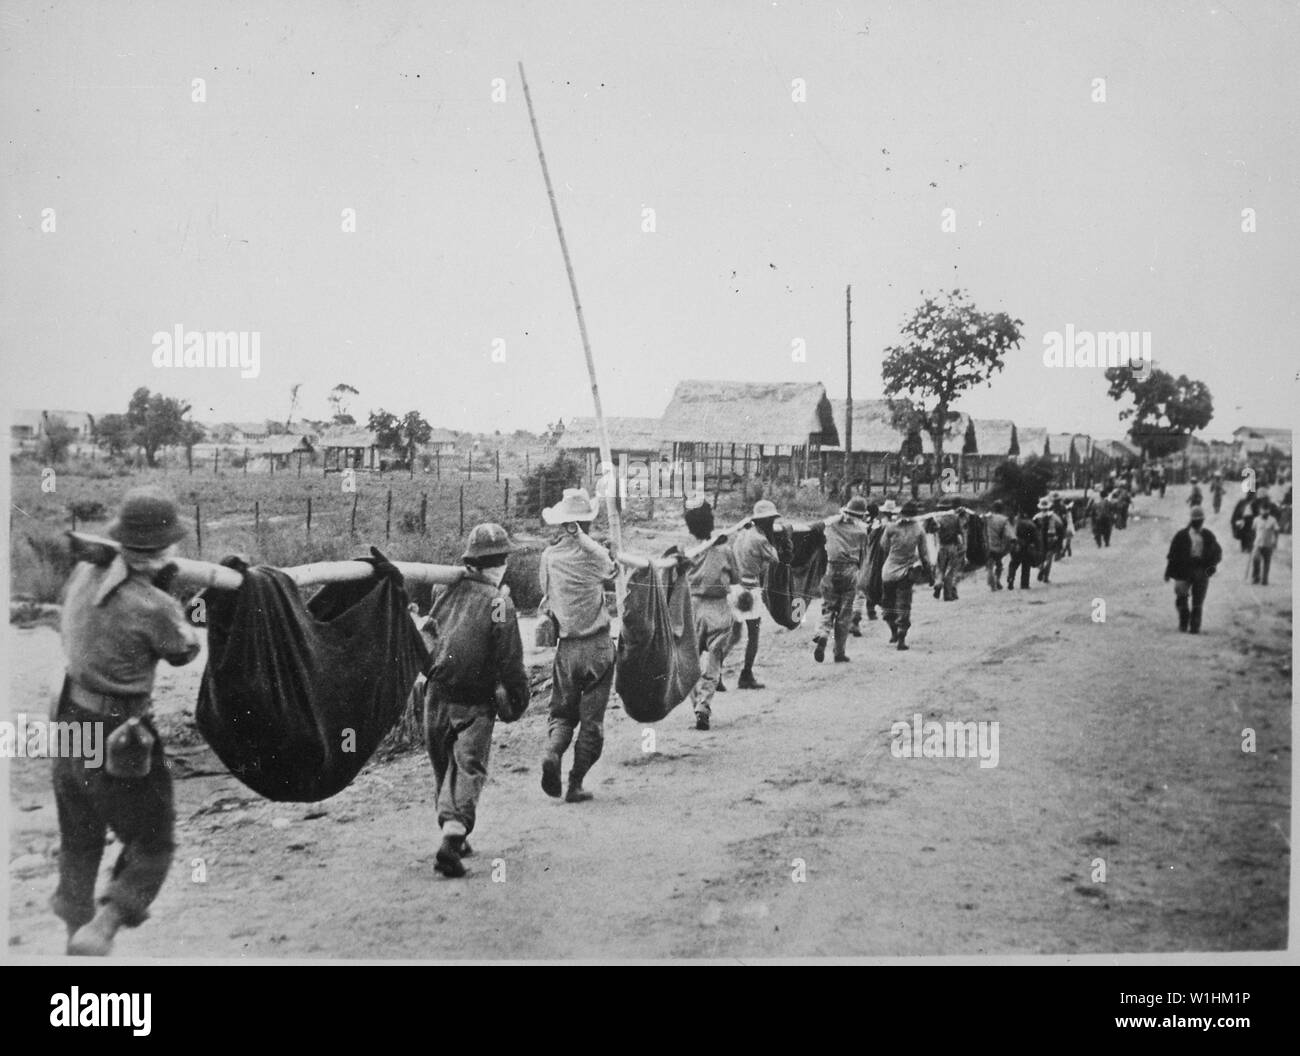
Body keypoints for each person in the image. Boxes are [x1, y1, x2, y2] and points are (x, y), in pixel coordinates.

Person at [52, 487, 202, 956]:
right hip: (120, 733)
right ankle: (106, 923)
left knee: (80, 837)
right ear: (164, 547)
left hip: (71, 723)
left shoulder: (83, 571)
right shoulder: (154, 605)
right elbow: (184, 650)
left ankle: (74, 928)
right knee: (154, 842)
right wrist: (165, 593)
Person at [422, 523, 530, 878]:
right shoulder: (499, 603)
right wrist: (518, 696)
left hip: (435, 697)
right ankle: (452, 839)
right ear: (499, 564)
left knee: (444, 766)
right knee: (468, 767)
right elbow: (510, 659)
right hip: (474, 702)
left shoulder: (443, 588)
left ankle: (453, 831)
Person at [537, 488, 617, 803]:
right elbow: (610, 570)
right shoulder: (596, 555)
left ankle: (552, 751)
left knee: (562, 712)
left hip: (566, 647)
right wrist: (592, 541)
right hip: (597, 645)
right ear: (587, 523)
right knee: (592, 721)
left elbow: (545, 596)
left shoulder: (549, 558)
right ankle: (575, 782)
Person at [683, 497, 741, 730]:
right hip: (718, 607)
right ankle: (704, 704)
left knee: (689, 661)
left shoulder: (685, 550)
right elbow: (735, 577)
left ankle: (697, 700)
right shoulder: (724, 550)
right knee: (714, 659)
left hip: (690, 607)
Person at [730, 499, 790, 689]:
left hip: (736, 587)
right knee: (753, 636)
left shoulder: (742, 534)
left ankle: (716, 672)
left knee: (733, 635)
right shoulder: (761, 539)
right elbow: (775, 559)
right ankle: (746, 675)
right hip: (750, 587)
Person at [813, 496, 871, 663]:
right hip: (850, 570)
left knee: (828, 606)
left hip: (830, 568)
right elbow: (863, 556)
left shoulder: (832, 526)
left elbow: (821, 526)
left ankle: (823, 633)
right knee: (845, 612)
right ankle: (839, 652)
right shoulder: (862, 531)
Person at [879, 500, 933, 650]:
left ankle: (893, 632)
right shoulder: (918, 529)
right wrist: (929, 573)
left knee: (887, 604)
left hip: (888, 571)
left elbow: (884, 546)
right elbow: (924, 554)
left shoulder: (891, 527)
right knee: (904, 605)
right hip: (906, 572)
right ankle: (902, 637)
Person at [1165, 506, 1222, 633]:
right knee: (1181, 596)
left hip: (1201, 570)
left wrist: (1210, 570)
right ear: (1191, 521)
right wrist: (1168, 572)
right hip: (1184, 570)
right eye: (1196, 521)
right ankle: (1184, 621)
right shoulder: (1181, 535)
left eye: (1200, 520)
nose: (1198, 523)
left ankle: (1195, 626)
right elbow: (1173, 554)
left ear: (1203, 521)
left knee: (1198, 601)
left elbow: (1217, 554)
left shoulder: (1208, 535)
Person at [851, 500, 890, 633]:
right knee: (875, 587)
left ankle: (856, 619)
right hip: (878, 562)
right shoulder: (882, 526)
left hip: (863, 560)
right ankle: (872, 612)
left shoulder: (863, 526)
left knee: (860, 591)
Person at [928, 498, 967, 602]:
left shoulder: (937, 518)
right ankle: (947, 595)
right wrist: (963, 545)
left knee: (940, 568)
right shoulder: (955, 518)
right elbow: (960, 532)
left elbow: (931, 531)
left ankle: (938, 583)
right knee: (950, 571)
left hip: (941, 546)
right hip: (952, 546)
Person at [983, 500, 1014, 590]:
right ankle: (997, 580)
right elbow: (1009, 533)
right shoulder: (1004, 519)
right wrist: (1013, 541)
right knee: (999, 565)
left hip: (987, 545)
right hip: (998, 547)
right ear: (1002, 509)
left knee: (989, 566)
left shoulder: (987, 517)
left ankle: (992, 584)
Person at [1033, 497, 1065, 583]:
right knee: (1049, 557)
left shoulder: (1036, 517)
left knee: (1040, 556)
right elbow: (1060, 525)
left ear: (1040, 507)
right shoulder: (1053, 516)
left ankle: (1041, 567)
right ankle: (1046, 577)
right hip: (1051, 537)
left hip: (1040, 538)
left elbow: (1033, 528)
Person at [1006, 509, 1039, 590]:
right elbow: (1036, 538)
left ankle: (1011, 578)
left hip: (1015, 546)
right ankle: (1024, 584)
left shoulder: (1014, 523)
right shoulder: (1031, 524)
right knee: (1026, 566)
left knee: (1013, 564)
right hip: (1026, 547)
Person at [1251, 502, 1280, 586]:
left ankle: (1265, 579)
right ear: (1260, 511)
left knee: (1267, 562)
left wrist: (1275, 542)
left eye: (1266, 510)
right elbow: (1253, 530)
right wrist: (1252, 542)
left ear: (1269, 511)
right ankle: (1256, 578)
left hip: (1268, 544)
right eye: (1263, 510)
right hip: (1257, 544)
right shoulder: (1256, 519)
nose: (1265, 512)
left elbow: (1276, 531)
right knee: (1256, 560)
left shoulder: (1273, 520)